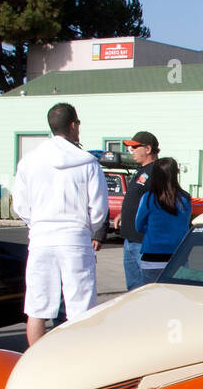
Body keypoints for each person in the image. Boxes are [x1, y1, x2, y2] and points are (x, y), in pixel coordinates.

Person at [12, 102, 107, 346]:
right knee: (80, 307)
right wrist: (86, 229)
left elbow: (21, 206)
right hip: (74, 238)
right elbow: (98, 209)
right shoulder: (87, 162)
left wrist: (38, 223)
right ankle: (76, 362)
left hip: (41, 237)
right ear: (73, 125)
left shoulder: (29, 161)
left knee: (37, 306)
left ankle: (36, 361)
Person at [133, 158, 192, 283]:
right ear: (176, 174)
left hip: (152, 255)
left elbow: (139, 226)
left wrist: (152, 230)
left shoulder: (149, 198)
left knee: (153, 297)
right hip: (178, 255)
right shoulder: (185, 198)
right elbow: (185, 224)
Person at [117, 131, 159, 290]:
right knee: (133, 289)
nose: (131, 151)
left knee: (147, 289)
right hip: (130, 239)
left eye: (135, 147)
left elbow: (160, 203)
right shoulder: (141, 171)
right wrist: (124, 213)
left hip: (143, 241)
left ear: (148, 149)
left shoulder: (157, 172)